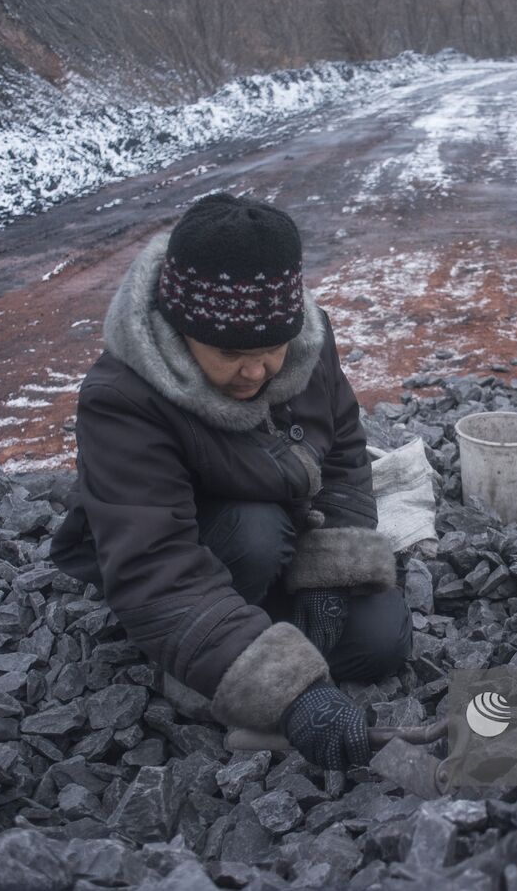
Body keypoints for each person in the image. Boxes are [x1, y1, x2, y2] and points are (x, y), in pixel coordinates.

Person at [51, 194, 410, 771]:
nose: (257, 371)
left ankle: (234, 639)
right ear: (180, 328)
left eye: (272, 349)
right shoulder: (122, 399)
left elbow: (343, 452)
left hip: (285, 533)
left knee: (381, 641)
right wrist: (294, 693)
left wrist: (330, 575)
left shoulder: (306, 343)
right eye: (231, 354)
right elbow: (154, 565)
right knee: (254, 530)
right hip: (194, 552)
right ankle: (197, 659)